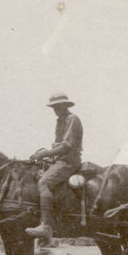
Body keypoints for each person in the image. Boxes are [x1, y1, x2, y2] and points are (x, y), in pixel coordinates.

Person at [26, 92, 83, 239]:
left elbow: (67, 146)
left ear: (65, 105)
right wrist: (48, 156)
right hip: (59, 160)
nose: (56, 109)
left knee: (44, 182)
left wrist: (44, 154)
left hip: (68, 160)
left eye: (58, 106)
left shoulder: (72, 119)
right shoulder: (60, 120)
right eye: (54, 107)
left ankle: (46, 226)